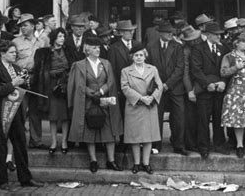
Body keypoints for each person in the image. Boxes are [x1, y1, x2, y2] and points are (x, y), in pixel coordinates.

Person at [0, 40, 42, 190]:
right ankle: (2, 181)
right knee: (1, 148)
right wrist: (13, 83)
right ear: (2, 54)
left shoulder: (16, 67)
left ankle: (25, 178)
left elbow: (22, 89)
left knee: (21, 145)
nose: (15, 55)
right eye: (12, 52)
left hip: (15, 113)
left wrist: (25, 82)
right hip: (0, 114)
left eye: (15, 52)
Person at [67, 36, 123, 173]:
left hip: (104, 101)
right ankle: (93, 160)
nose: (97, 50)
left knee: (109, 130)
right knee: (89, 131)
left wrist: (102, 90)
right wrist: (91, 92)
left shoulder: (106, 63)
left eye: (98, 47)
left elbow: (111, 81)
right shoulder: (79, 65)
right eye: (94, 48)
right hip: (88, 101)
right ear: (87, 49)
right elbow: (78, 84)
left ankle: (111, 160)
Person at [121, 43, 163, 174]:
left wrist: (152, 98)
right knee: (135, 136)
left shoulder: (153, 69)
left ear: (145, 56)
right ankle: (136, 163)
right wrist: (141, 98)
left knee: (148, 136)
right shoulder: (126, 71)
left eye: (141, 55)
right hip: (135, 106)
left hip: (149, 106)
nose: (139, 57)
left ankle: (146, 163)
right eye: (136, 55)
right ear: (132, 57)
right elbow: (125, 88)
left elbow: (159, 85)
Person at [146, 20, 186, 155]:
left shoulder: (178, 47)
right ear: (161, 33)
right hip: (157, 87)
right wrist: (159, 85)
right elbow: (149, 68)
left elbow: (180, 68)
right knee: (156, 116)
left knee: (179, 117)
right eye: (168, 32)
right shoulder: (151, 47)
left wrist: (168, 84)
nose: (170, 34)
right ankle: (156, 145)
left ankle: (178, 145)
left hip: (175, 87)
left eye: (172, 32)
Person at [191, 21, 228, 159]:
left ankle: (219, 144)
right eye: (216, 35)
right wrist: (207, 84)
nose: (219, 37)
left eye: (220, 34)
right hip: (204, 90)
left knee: (219, 118)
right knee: (203, 120)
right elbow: (196, 69)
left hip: (219, 89)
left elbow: (226, 67)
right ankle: (203, 147)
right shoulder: (198, 48)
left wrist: (223, 82)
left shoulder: (223, 48)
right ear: (207, 35)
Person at [33, 27, 71, 154]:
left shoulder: (68, 52)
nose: (62, 39)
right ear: (54, 38)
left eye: (63, 36)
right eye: (60, 36)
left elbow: (72, 67)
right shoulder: (46, 53)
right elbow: (42, 70)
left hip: (66, 85)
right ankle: (54, 142)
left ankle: (64, 141)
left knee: (65, 116)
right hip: (51, 86)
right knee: (53, 115)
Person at [13, 13, 46, 150]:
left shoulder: (42, 42)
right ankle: (19, 140)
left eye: (25, 25)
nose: (23, 28)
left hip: (37, 78)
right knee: (20, 110)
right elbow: (12, 61)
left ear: (33, 26)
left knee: (35, 111)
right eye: (21, 26)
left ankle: (36, 140)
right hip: (21, 78)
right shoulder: (15, 42)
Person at [181, 25, 203, 152]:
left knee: (196, 116)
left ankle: (194, 141)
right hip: (190, 87)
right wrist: (190, 90)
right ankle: (190, 143)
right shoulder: (186, 51)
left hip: (197, 86)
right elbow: (185, 72)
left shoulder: (194, 49)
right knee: (190, 118)